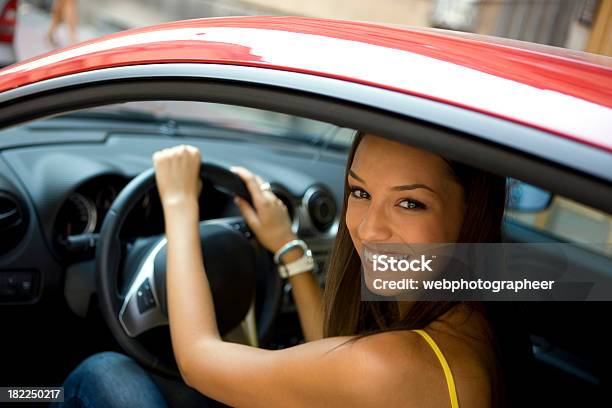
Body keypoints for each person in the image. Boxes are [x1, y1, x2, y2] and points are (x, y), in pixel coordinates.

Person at [56, 132, 529, 407]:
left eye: (410, 203)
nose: (369, 230)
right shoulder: (478, 320)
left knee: (104, 375)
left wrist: (179, 206)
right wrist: (288, 247)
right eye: (360, 193)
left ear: (472, 214)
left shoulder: (396, 364)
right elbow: (337, 355)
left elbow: (199, 361)